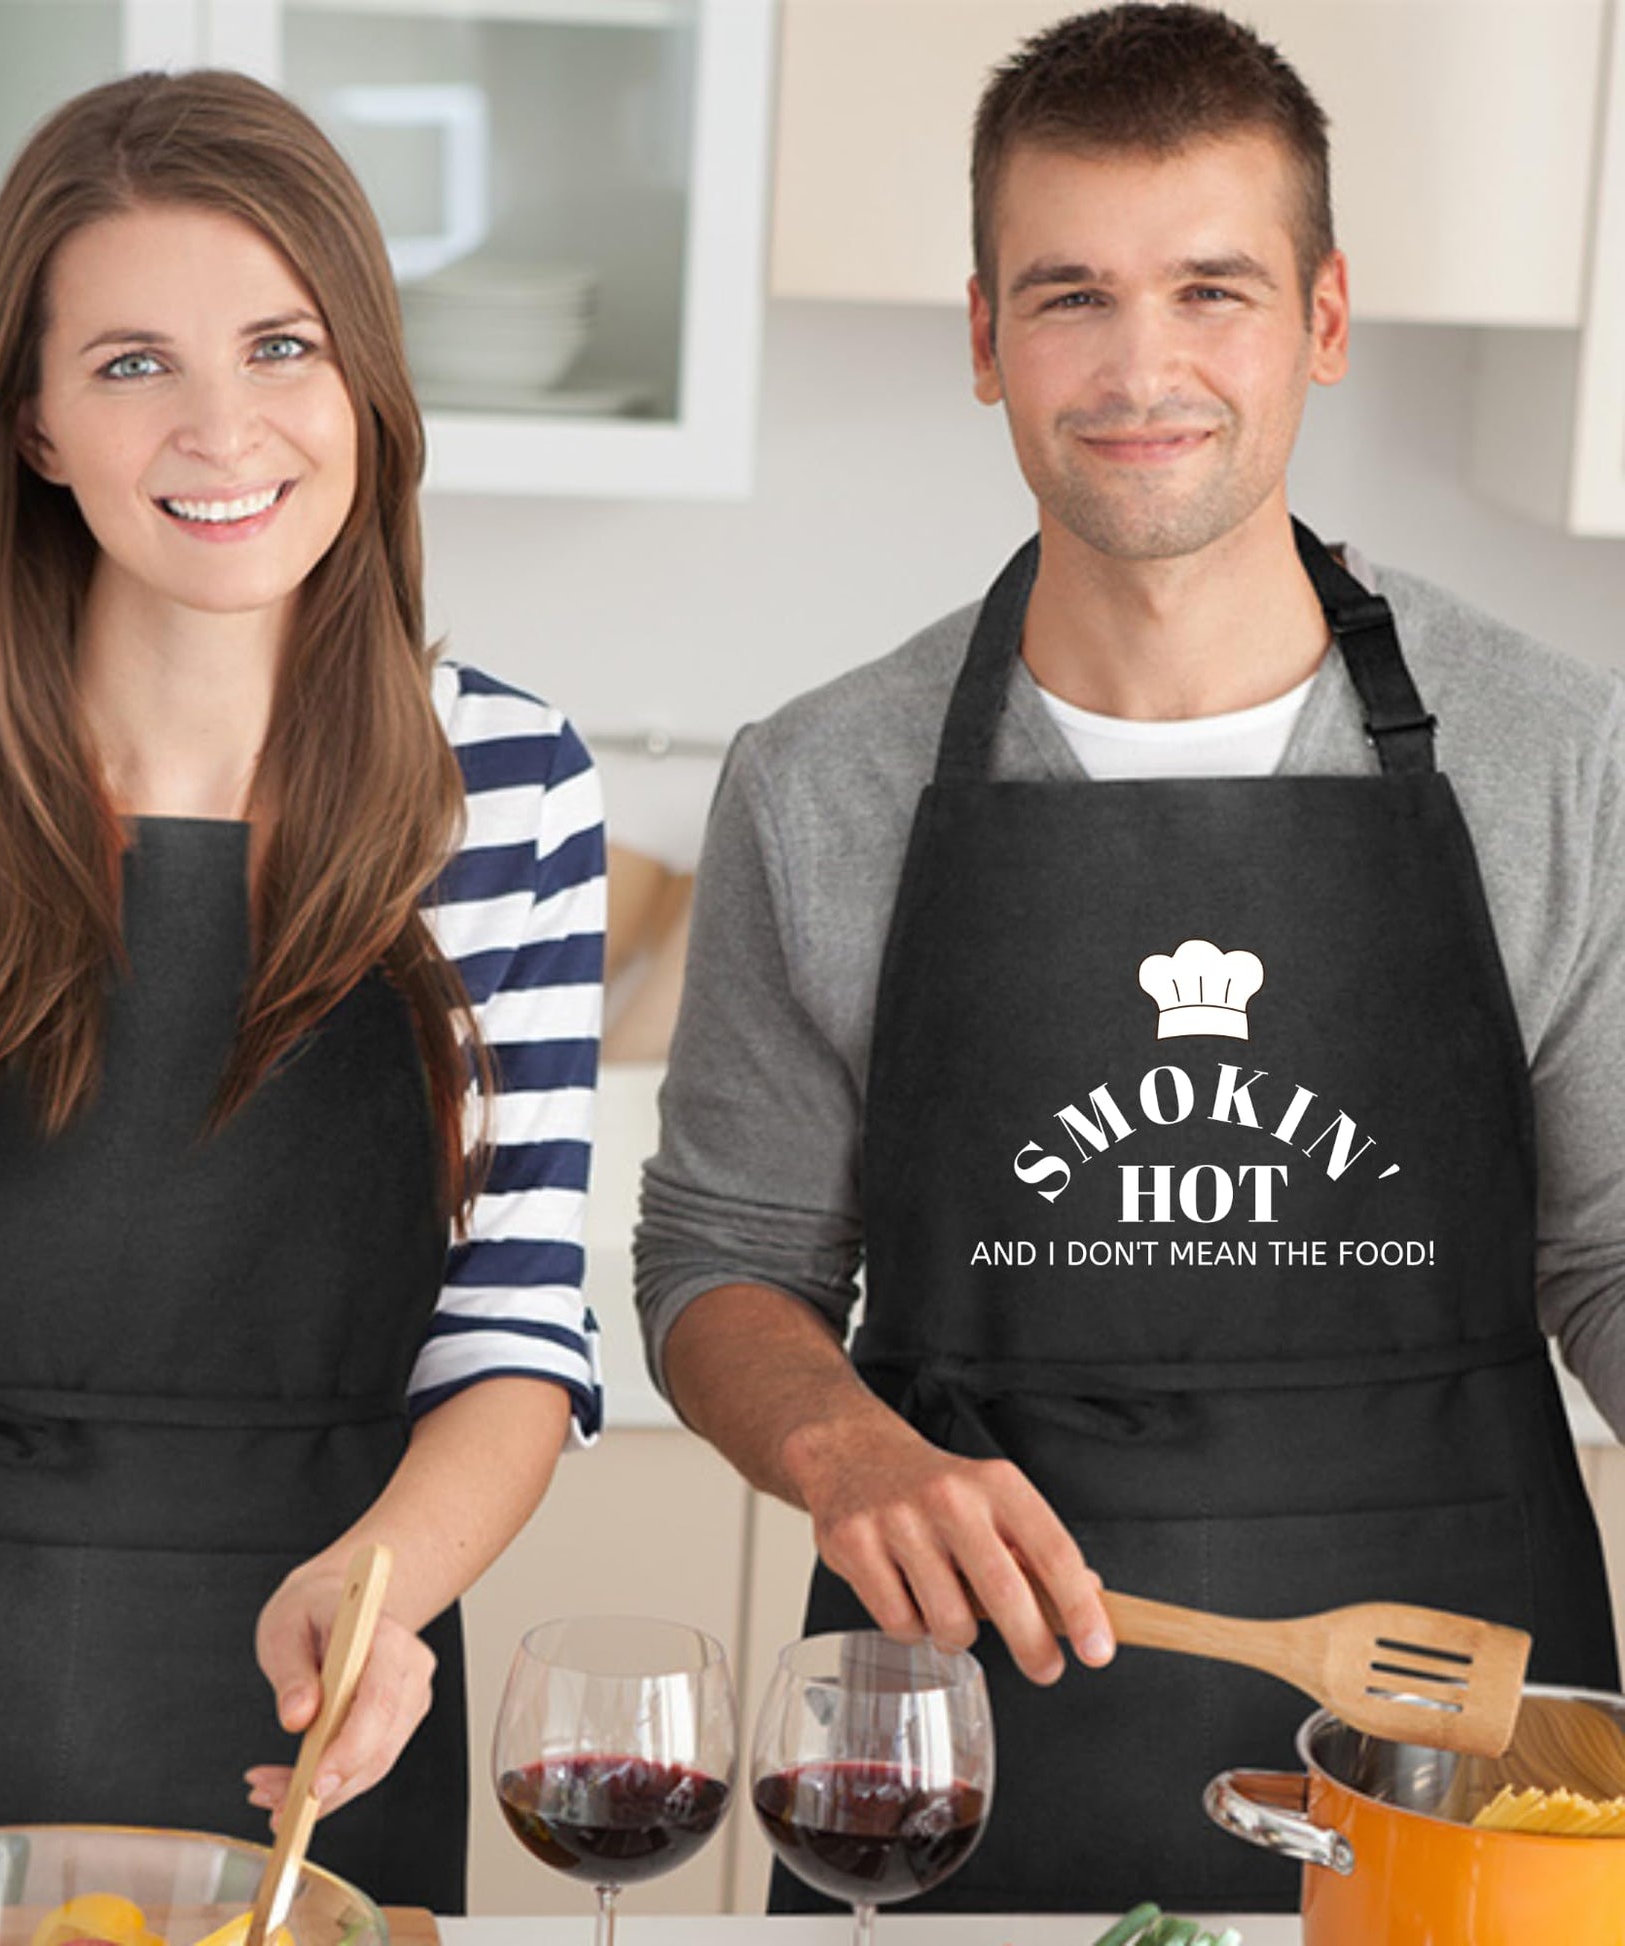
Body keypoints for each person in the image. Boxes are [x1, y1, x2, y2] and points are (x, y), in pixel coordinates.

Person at [636, 1, 1624, 1916]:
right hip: (955, 1755)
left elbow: (1607, 1241)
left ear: (1323, 322)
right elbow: (720, 1262)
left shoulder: (1553, 755)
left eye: (1212, 290)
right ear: (985, 338)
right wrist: (840, 1441)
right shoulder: (819, 779)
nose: (1141, 366)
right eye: (1070, 294)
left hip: (1461, 1780)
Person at [0, 68, 604, 1913]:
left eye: (281, 345)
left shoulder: (503, 789)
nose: (221, 428)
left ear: (362, 386)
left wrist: (388, 1588)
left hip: (304, 1776)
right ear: (28, 423)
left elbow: (510, 1338)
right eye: (127, 365)